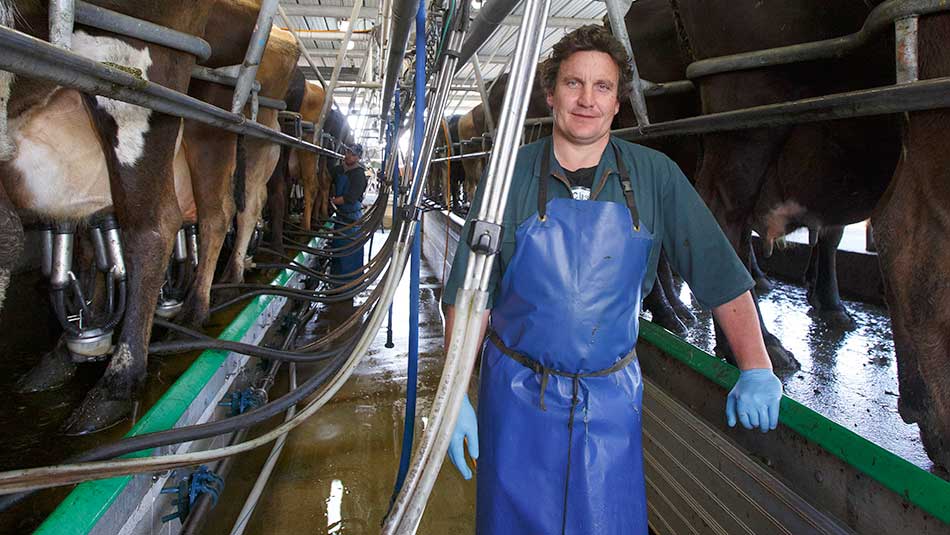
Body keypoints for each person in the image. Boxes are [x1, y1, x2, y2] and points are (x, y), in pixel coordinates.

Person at [440, 25, 783, 534]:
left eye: (602, 87)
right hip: (515, 399)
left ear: (618, 102)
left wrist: (757, 367)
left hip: (609, 402)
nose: (586, 99)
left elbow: (719, 274)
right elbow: (470, 298)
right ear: (551, 92)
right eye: (573, 83)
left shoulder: (655, 175)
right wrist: (451, 399)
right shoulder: (506, 177)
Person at [328, 143, 368, 282]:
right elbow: (326, 176)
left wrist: (332, 201)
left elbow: (350, 198)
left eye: (352, 154)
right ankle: (336, 282)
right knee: (338, 251)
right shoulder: (339, 170)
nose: (348, 155)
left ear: (358, 158)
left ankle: (350, 283)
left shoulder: (359, 175)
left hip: (352, 218)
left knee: (350, 252)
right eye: (347, 152)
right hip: (340, 218)